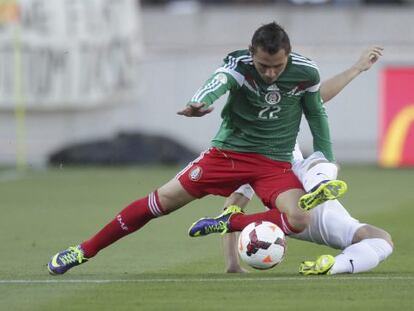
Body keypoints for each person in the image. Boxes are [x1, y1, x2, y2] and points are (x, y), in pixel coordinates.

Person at [47, 22, 344, 275]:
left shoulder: (306, 73)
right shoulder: (239, 64)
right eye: (263, 66)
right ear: (251, 53)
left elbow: (316, 113)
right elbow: (219, 81)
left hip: (274, 164)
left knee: (300, 217)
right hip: (228, 156)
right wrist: (199, 101)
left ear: (288, 56)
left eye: (277, 66)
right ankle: (84, 250)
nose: (270, 73)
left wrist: (324, 159)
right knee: (159, 202)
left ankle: (231, 222)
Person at [189, 47, 394, 275]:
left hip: (307, 218)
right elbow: (233, 204)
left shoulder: (266, 136)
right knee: (322, 161)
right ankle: (320, 187)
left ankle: (332, 263)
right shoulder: (257, 150)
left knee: (381, 239)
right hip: (301, 209)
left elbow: (318, 95)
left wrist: (232, 264)